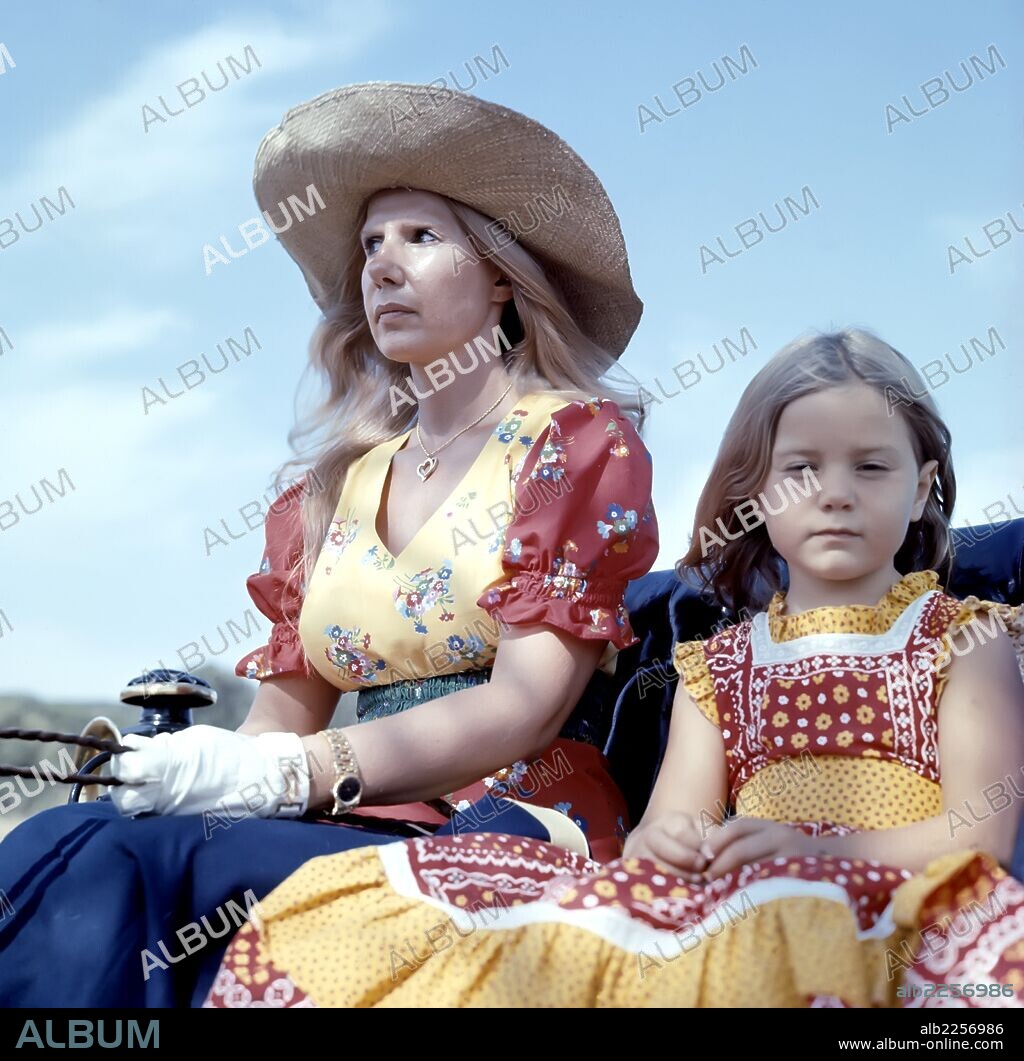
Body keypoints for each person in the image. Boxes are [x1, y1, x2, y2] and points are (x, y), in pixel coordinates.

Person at [0, 82, 659, 1008]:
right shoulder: (327, 491)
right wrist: (205, 771)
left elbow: (521, 706)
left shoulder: (574, 443)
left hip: (510, 820)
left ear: (504, 275)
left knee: (135, 869)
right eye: (369, 246)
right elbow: (280, 723)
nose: (381, 266)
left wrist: (293, 773)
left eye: (421, 238)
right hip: (353, 809)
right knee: (62, 843)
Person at [204, 328, 1024, 1009]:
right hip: (755, 896)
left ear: (921, 490)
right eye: (801, 468)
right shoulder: (719, 664)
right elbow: (666, 831)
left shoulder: (962, 639)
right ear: (758, 492)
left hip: (910, 901)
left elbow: (980, 832)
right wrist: (678, 846)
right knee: (470, 922)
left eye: (871, 467)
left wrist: (812, 845)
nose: (835, 492)